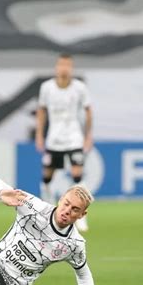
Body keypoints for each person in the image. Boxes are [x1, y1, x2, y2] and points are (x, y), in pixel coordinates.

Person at [35, 53, 93, 232]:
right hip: (54, 139)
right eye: (61, 65)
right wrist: (39, 135)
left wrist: (88, 136)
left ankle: (80, 217)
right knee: (47, 176)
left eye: (68, 65)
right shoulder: (47, 88)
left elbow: (88, 111)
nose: (64, 68)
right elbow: (42, 111)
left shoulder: (80, 88)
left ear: (71, 68)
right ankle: (47, 209)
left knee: (77, 175)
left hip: (74, 138)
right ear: (56, 67)